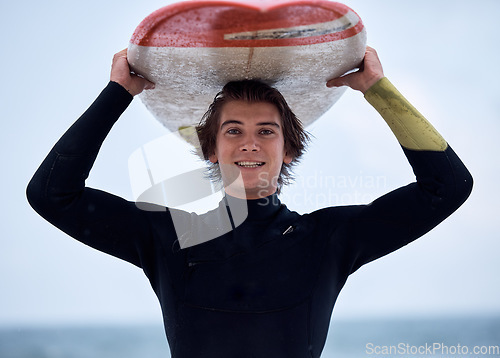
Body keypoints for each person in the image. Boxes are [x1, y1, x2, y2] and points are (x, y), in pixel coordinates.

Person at [26, 46, 472, 358]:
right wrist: (117, 93)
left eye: (267, 131)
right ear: (211, 150)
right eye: (233, 130)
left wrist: (378, 88)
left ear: (290, 150)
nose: (250, 144)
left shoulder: (328, 239)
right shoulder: (169, 236)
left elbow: (447, 187)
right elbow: (51, 194)